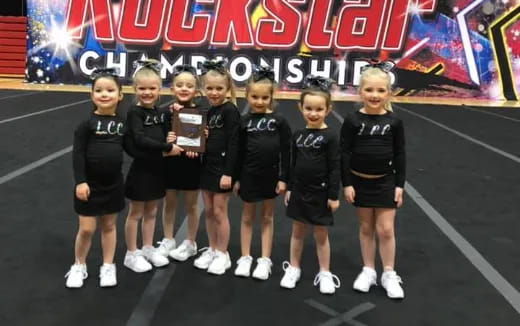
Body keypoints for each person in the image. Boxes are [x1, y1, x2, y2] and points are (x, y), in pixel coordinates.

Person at [340, 61, 406, 299]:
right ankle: (368, 269)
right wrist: (346, 183)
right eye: (369, 90)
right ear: (360, 92)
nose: (374, 95)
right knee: (366, 227)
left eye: (380, 90)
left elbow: (400, 154)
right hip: (359, 182)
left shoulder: (394, 122)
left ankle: (389, 272)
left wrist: (400, 185)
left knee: (386, 229)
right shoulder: (353, 120)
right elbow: (344, 153)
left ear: (389, 92)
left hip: (386, 181)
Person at [280, 75, 341, 294]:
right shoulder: (298, 135)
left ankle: (324, 271)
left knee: (321, 234)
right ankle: (294, 267)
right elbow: (292, 163)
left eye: (318, 109)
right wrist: (289, 187)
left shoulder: (331, 137)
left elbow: (335, 168)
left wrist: (333, 196)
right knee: (297, 231)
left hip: (320, 193)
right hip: (299, 191)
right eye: (308, 108)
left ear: (328, 109)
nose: (313, 114)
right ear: (300, 107)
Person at [65, 68, 125, 288]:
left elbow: (136, 146)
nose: (104, 94)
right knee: (87, 228)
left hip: (113, 184)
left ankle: (108, 266)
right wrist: (80, 181)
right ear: (92, 95)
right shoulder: (86, 125)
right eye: (99, 90)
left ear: (120, 95)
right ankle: (78, 264)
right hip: (89, 186)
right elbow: (78, 154)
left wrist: (166, 147)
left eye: (110, 90)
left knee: (109, 226)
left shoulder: (123, 123)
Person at [123, 59, 183, 272]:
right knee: (136, 212)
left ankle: (148, 247)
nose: (147, 92)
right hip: (141, 171)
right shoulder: (134, 113)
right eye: (142, 88)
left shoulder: (158, 112)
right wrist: (166, 148)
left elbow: (168, 130)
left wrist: (175, 113)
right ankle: (132, 252)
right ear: (134, 89)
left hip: (158, 170)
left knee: (152, 211)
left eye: (152, 88)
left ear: (160, 89)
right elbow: (140, 140)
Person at [233, 65, 291, 280]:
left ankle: (264, 259)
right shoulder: (244, 122)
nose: (259, 101)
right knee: (247, 217)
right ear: (247, 95)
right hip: (249, 175)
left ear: (271, 97)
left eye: (264, 97)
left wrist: (284, 178)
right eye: (254, 97)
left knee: (267, 217)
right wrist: (237, 178)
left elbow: (287, 152)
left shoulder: (279, 121)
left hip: (271, 176)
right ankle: (245, 256)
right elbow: (238, 152)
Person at [194, 59, 240, 275]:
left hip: (222, 169)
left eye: (219, 88)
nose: (214, 92)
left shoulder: (230, 110)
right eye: (209, 88)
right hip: (207, 166)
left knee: (220, 212)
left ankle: (223, 254)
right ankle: (212, 248)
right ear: (203, 88)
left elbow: (234, 143)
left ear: (227, 88)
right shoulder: (209, 112)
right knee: (209, 212)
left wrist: (228, 173)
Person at [157, 64, 203, 262]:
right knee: (169, 203)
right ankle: (168, 239)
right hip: (170, 163)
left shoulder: (201, 113)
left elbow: (205, 140)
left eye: (189, 85)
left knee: (192, 205)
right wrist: (166, 141)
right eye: (180, 85)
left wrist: (201, 142)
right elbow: (160, 139)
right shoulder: (165, 113)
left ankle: (190, 242)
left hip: (191, 164)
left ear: (196, 91)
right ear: (172, 89)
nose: (184, 88)